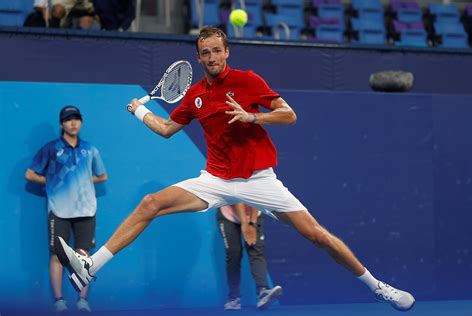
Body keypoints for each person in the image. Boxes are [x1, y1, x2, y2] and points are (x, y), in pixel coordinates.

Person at [54, 26, 415, 312]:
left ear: (227, 52)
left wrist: (252, 116)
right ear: (198, 57)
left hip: (259, 180)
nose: (212, 57)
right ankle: (91, 267)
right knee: (151, 203)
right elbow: (166, 130)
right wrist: (140, 111)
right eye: (205, 52)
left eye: (217, 50)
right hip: (214, 180)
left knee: (317, 235)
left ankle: (378, 287)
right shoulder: (195, 95)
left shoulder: (248, 81)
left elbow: (290, 115)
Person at [25, 105, 108, 312]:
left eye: (77, 118)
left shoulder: (90, 150)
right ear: (62, 123)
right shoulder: (51, 149)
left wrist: (80, 181)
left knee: (84, 256)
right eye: (69, 119)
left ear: (81, 122)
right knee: (56, 256)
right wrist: (51, 181)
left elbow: (102, 176)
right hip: (59, 211)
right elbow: (30, 174)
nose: (73, 122)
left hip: (86, 211)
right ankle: (59, 302)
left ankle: (83, 302)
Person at [217, 203, 282, 310]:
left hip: (254, 215)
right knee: (234, 254)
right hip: (228, 215)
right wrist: (245, 224)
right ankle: (234, 299)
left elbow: (254, 198)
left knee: (256, 251)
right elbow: (238, 198)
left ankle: (263, 291)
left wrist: (252, 223)